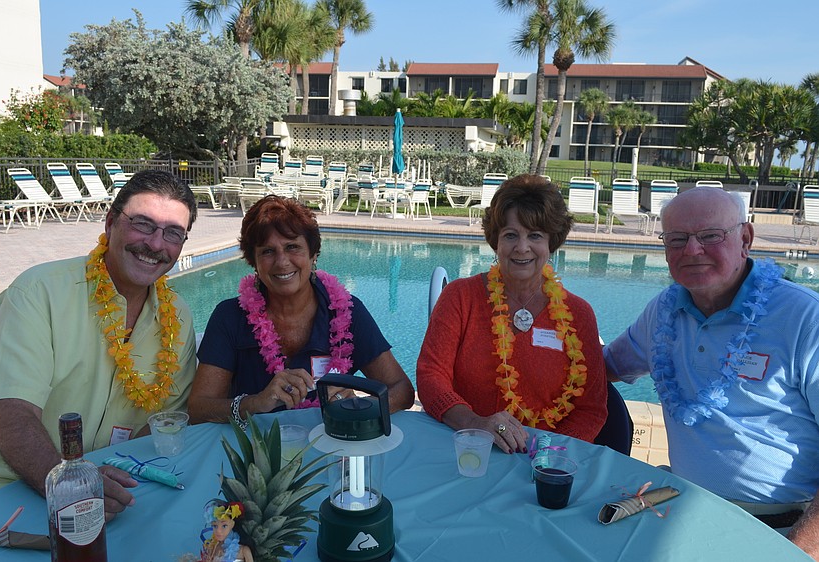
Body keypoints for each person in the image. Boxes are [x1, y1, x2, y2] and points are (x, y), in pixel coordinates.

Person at [0, 170, 199, 520]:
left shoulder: (177, 317)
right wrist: (73, 488)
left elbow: (162, 420)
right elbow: (15, 418)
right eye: (142, 224)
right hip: (0, 489)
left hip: (110, 488)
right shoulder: (38, 293)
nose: (155, 244)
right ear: (110, 224)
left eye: (173, 233)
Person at [603, 186, 819, 557]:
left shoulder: (805, 318)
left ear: (745, 238)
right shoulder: (663, 312)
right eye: (677, 239)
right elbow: (602, 366)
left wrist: (798, 550)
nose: (692, 250)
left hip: (780, 527)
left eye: (710, 236)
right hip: (683, 509)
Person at [416, 174, 607, 453]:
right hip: (467, 450)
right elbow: (431, 377)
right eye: (510, 235)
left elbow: (591, 409)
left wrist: (545, 454)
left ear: (552, 243)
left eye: (535, 235)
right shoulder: (460, 297)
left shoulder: (579, 315)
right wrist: (474, 423)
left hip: (542, 463)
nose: (522, 247)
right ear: (496, 241)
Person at [188, 195, 414, 424]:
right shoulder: (230, 316)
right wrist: (255, 402)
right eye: (267, 251)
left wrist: (360, 408)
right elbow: (198, 409)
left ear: (313, 255)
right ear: (253, 262)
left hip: (331, 446)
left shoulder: (347, 311)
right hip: (255, 451)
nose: (282, 262)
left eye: (292, 247)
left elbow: (402, 390)